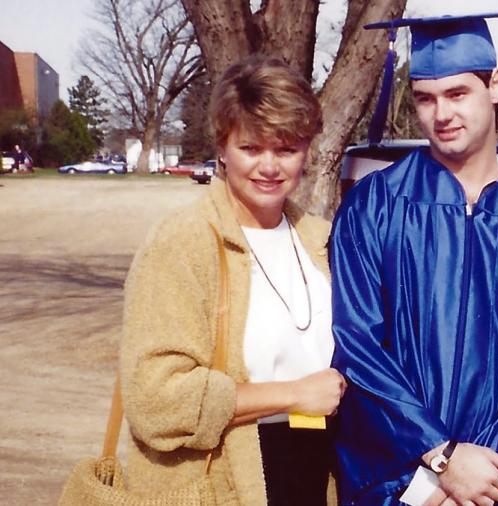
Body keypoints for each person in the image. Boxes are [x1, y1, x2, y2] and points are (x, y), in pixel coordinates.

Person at [330, 10, 498, 506]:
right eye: (425, 98)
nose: (441, 115)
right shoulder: (374, 207)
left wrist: (482, 479)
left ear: (495, 86)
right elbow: (357, 347)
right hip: (400, 489)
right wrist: (438, 461)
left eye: (458, 93)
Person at [119, 55, 346, 506]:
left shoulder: (321, 241)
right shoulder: (183, 243)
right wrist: (294, 394)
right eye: (251, 148)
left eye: (285, 149)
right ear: (222, 147)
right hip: (222, 480)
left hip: (315, 476)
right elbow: (154, 400)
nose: (269, 166)